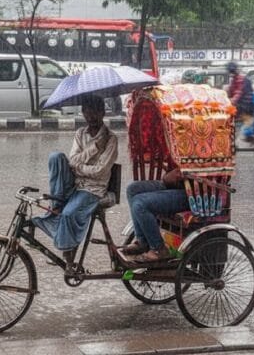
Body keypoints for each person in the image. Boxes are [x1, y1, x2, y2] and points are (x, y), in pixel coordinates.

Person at [31, 94, 118, 274]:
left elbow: (100, 171)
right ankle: (57, 204)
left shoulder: (111, 138)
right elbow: (72, 161)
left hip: (93, 189)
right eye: (86, 111)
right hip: (75, 184)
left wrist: (79, 166)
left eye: (94, 111)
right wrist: (93, 149)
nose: (90, 116)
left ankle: (68, 260)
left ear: (102, 112)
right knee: (56, 157)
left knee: (68, 214)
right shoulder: (80, 133)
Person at [121, 168, 189, 263]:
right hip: (176, 185)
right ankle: (143, 242)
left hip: (191, 193)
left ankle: (159, 249)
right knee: (132, 189)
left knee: (140, 203)